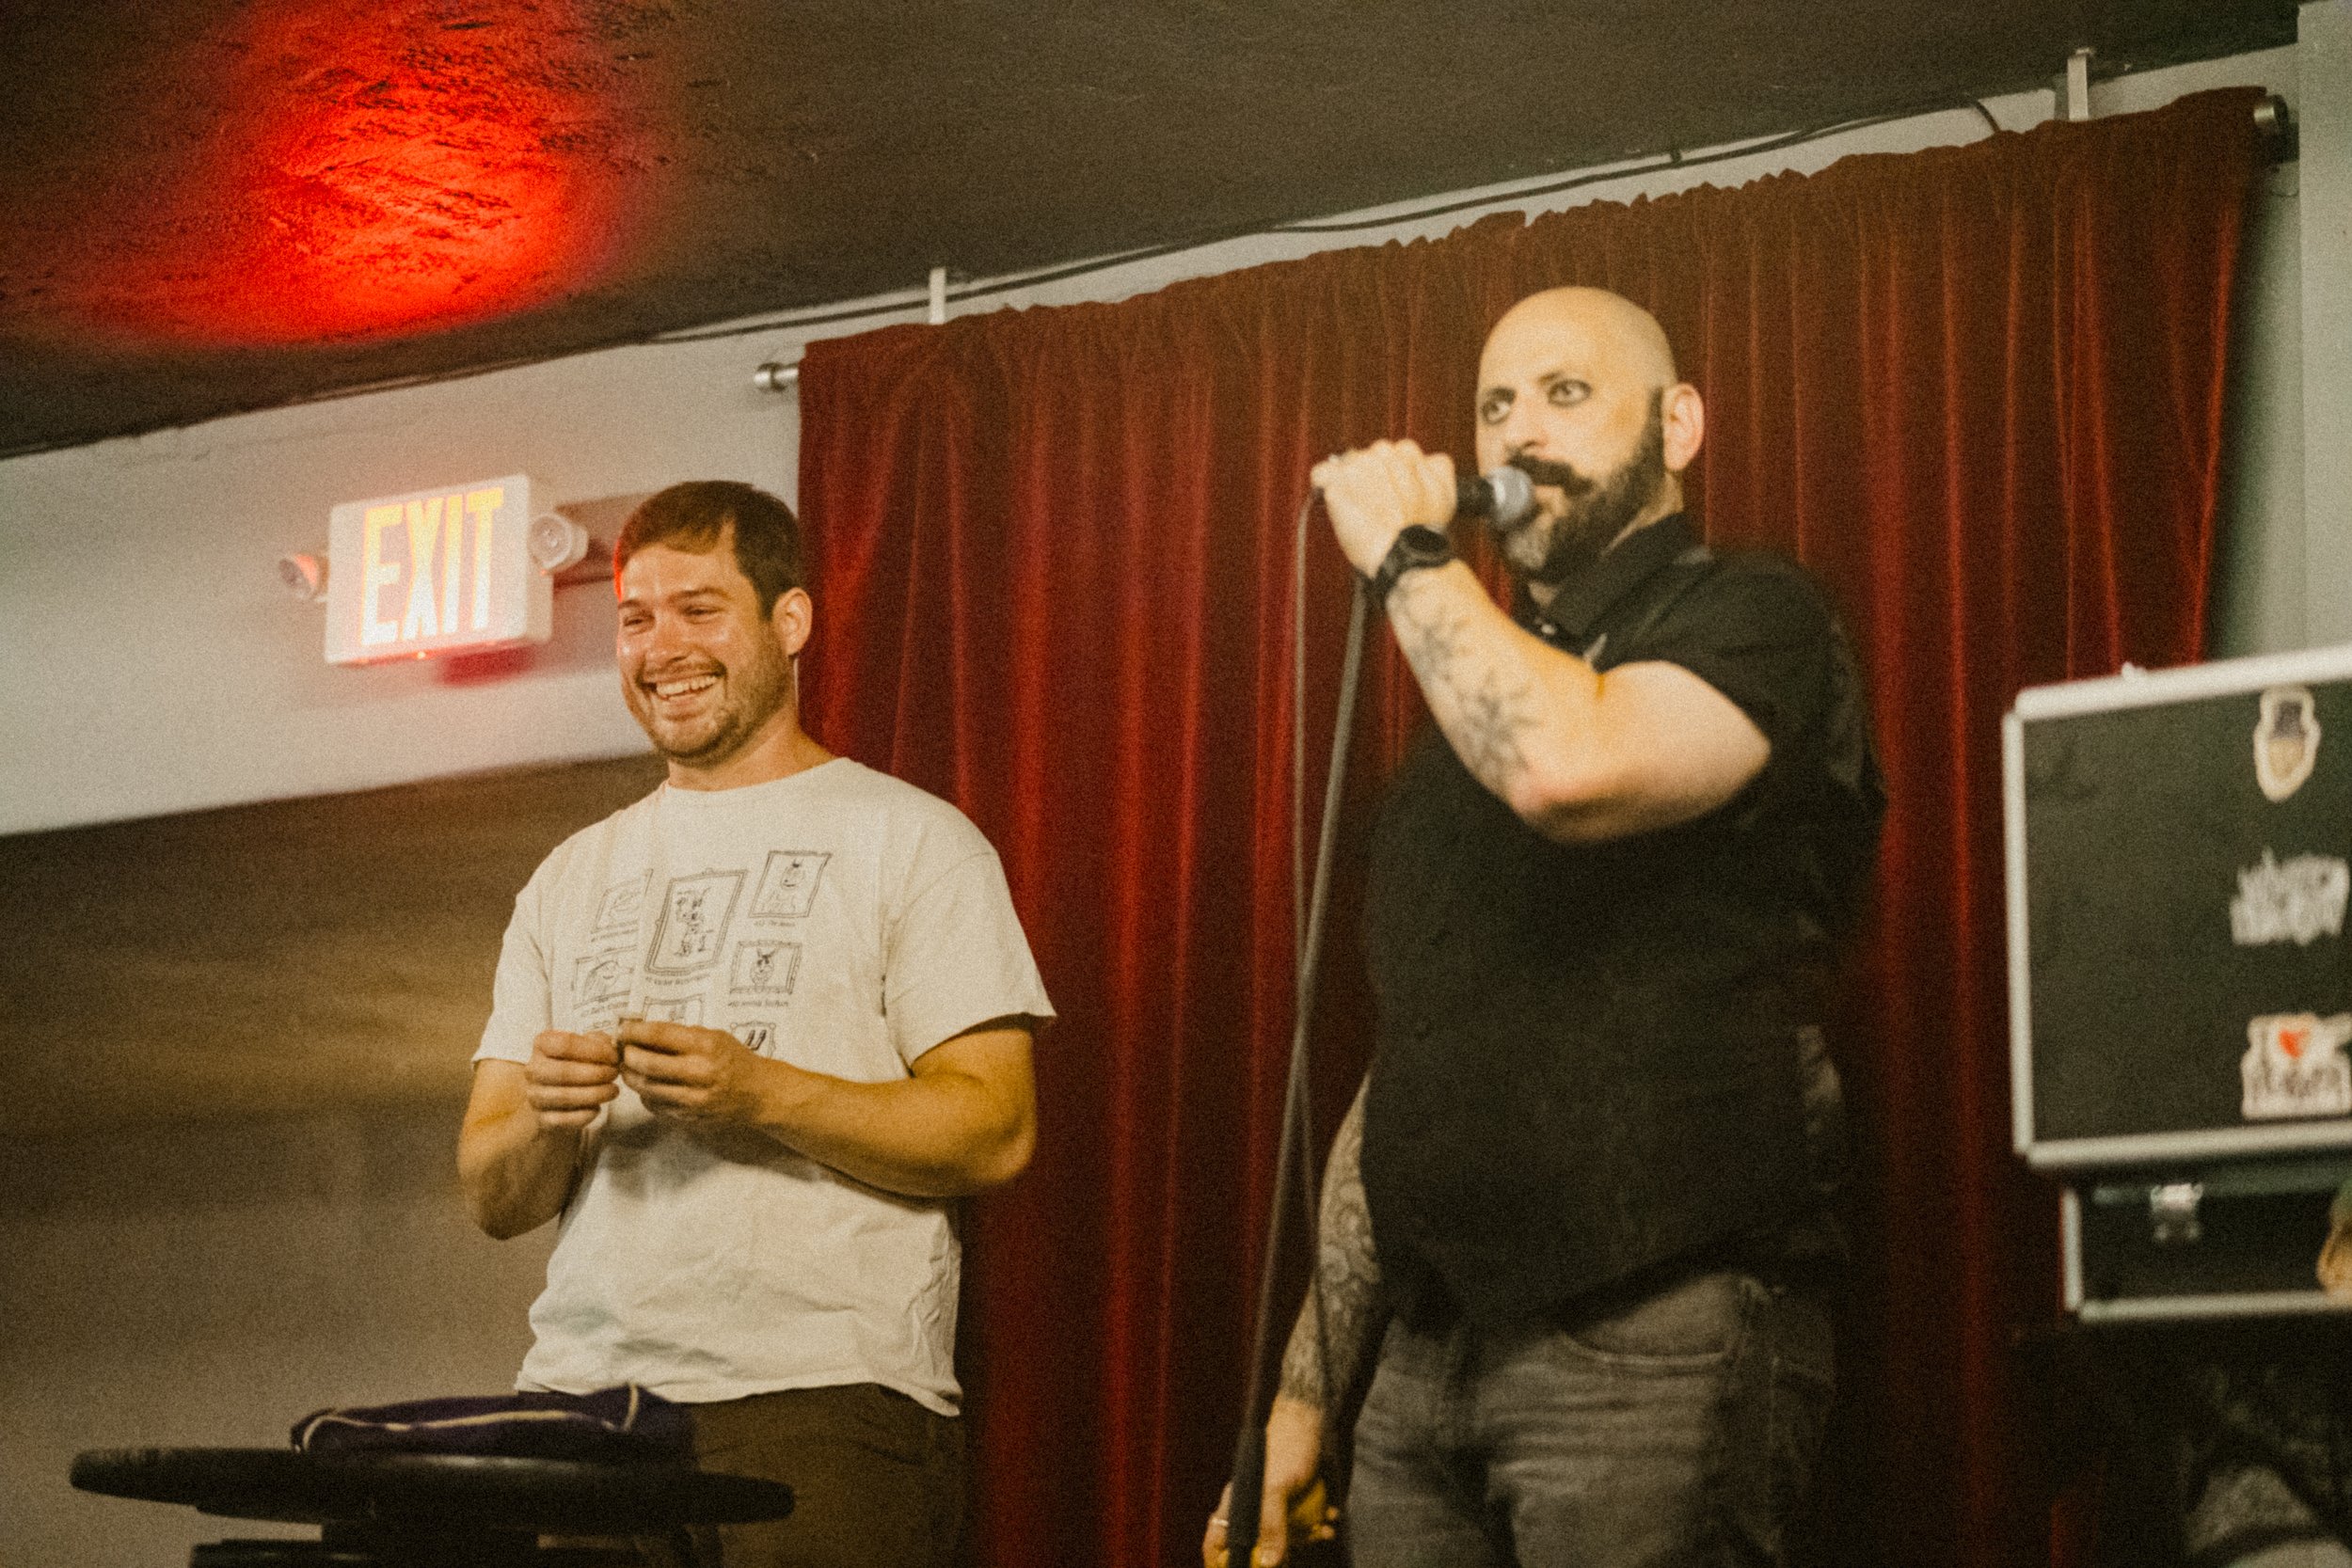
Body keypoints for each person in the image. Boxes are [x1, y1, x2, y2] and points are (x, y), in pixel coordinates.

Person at [1206, 287, 1883, 1568]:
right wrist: (1306, 1390)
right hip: (1425, 1362)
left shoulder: (1755, 612)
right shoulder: (1456, 738)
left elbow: (1572, 765)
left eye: (1567, 394)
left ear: (1678, 424)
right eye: (1495, 404)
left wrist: (1410, 556)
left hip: (1655, 1326)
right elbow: (1411, 1068)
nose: (1519, 434)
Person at [458, 481, 1052, 1568]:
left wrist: (759, 1091)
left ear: (790, 622)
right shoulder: (567, 876)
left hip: (823, 1400)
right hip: (582, 1408)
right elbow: (493, 1193)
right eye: (635, 618)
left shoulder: (914, 838)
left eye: (699, 608)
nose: (660, 646)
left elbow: (995, 1127)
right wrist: (551, 1116)